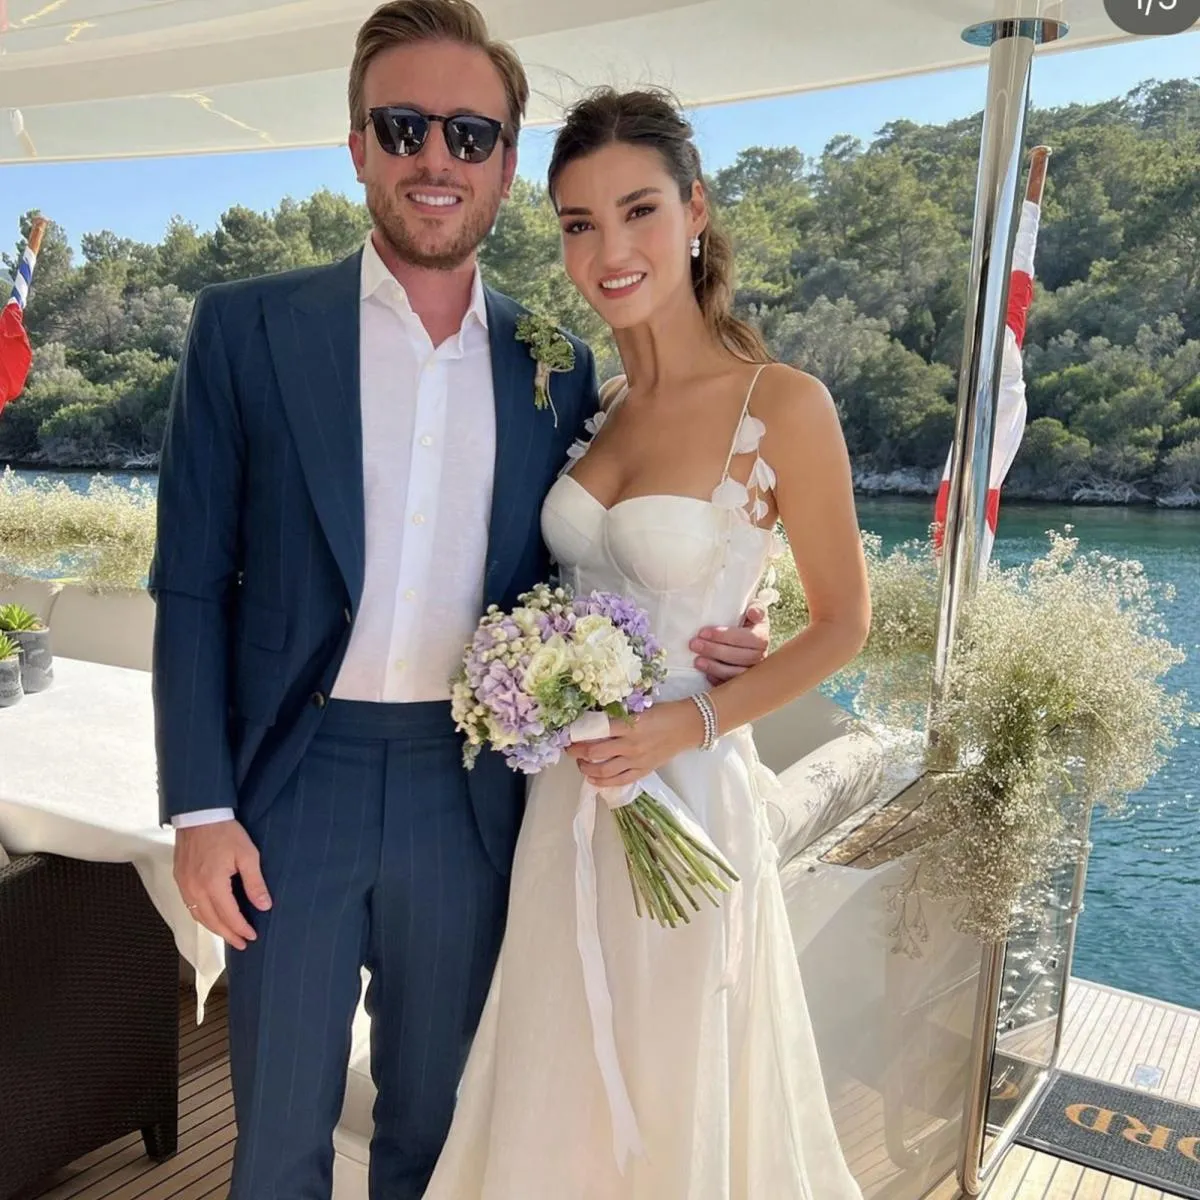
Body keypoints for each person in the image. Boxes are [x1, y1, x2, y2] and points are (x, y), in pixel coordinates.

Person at [149, 3, 768, 1197]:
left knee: (439, 1139)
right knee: (274, 1141)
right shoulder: (244, 328)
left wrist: (727, 626)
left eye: (469, 134)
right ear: (358, 146)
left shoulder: (557, 361)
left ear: (505, 162)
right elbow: (189, 580)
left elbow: (609, 549)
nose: (436, 157)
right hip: (290, 791)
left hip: (477, 793)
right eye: (403, 126)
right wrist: (201, 808)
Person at [423, 87, 871, 1199]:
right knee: (554, 1081)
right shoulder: (596, 399)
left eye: (639, 211)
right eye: (579, 223)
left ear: (696, 211)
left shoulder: (785, 405)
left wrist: (691, 716)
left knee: (669, 1092)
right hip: (563, 804)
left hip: (690, 797)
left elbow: (845, 623)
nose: (610, 251)